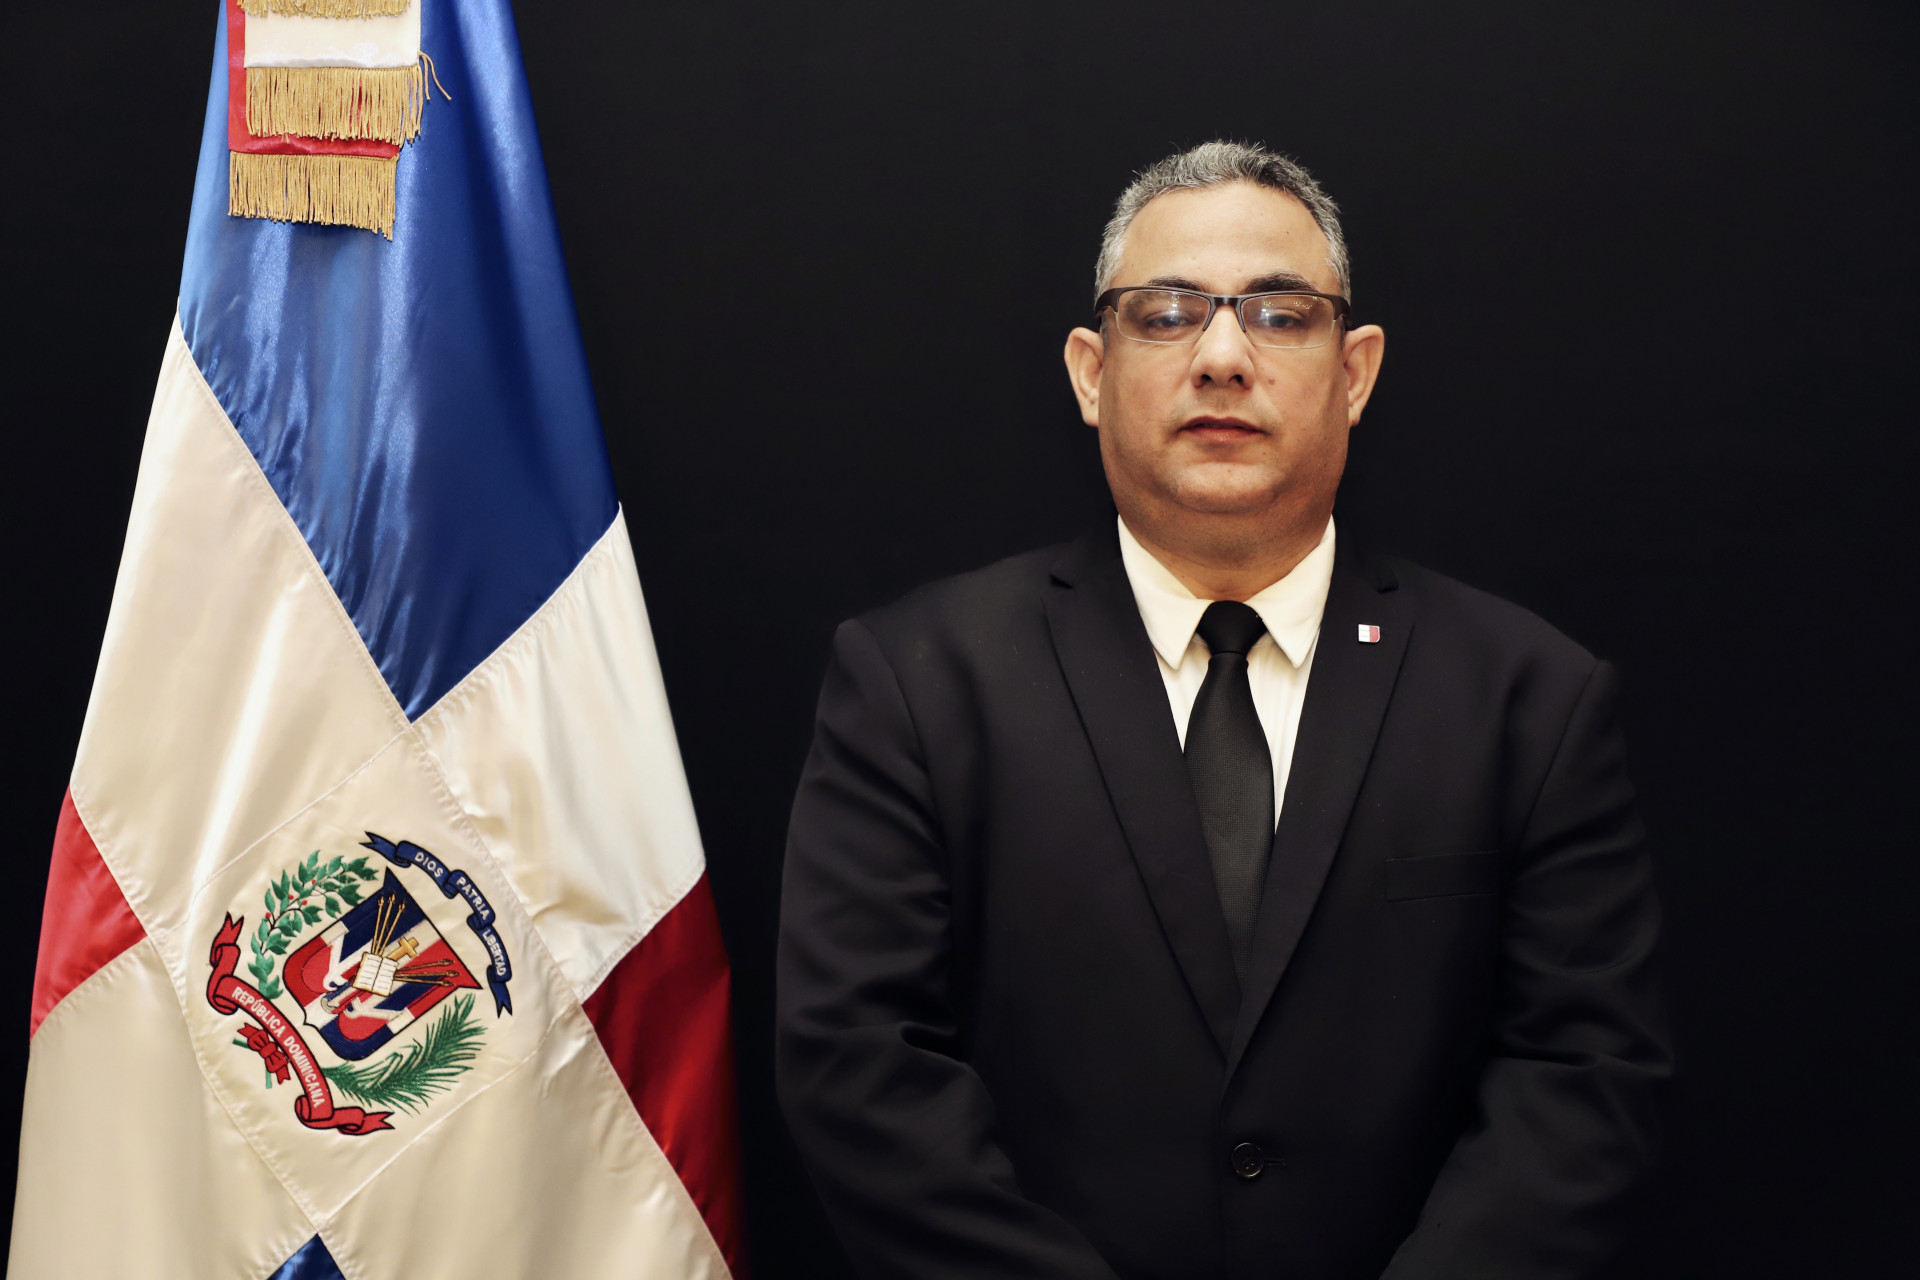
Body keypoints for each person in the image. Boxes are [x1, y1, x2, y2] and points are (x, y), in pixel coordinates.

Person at [775, 140, 1670, 1279]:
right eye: (1167, 314)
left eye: (1281, 315)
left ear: (1356, 371)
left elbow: (1582, 1080)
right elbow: (861, 1068)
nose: (1223, 357)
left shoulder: (1529, 697)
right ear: (1091, 371)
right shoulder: (917, 680)